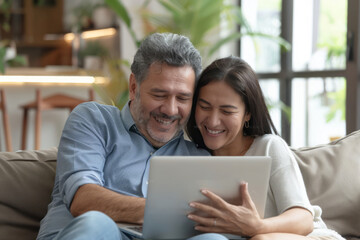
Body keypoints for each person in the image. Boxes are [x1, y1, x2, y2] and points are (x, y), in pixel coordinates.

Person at [37, 32, 212, 240]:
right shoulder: (93, 120)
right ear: (133, 87)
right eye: (159, 95)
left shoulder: (198, 158)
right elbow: (84, 200)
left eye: (183, 98)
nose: (170, 109)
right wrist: (172, 210)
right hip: (91, 234)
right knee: (97, 223)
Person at [186, 56, 345, 240]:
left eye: (227, 111)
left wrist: (256, 227)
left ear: (248, 114)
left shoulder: (269, 147)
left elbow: (304, 220)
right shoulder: (190, 156)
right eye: (204, 106)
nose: (213, 121)